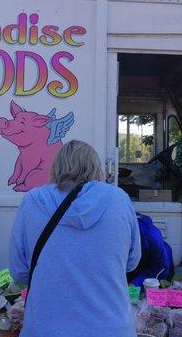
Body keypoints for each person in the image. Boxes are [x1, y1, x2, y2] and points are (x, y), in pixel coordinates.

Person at [9, 140, 141, 337]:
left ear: (56, 167)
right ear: (96, 167)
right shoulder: (119, 199)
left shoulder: (33, 200)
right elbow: (132, 262)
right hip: (112, 328)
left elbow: (19, 272)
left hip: (46, 327)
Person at [127, 213, 175, 286]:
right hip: (135, 265)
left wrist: (135, 284)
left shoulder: (153, 237)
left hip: (159, 266)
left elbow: (160, 268)